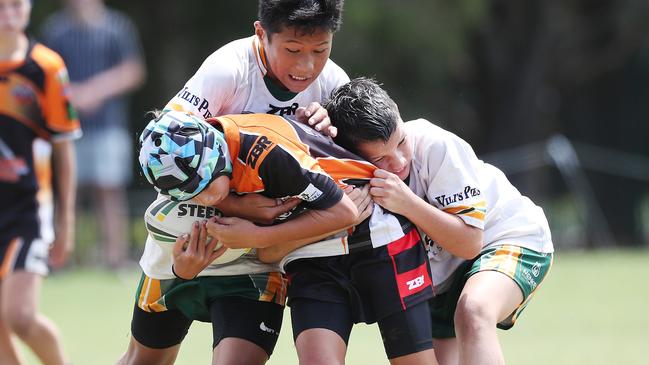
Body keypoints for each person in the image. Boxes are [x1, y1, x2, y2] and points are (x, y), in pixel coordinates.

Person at [324, 77, 555, 365]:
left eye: (401, 142)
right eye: (380, 158)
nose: (397, 161)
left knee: (474, 311)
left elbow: (470, 242)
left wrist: (408, 203)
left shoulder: (435, 145)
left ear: (398, 113)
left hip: (508, 236)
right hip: (440, 278)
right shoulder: (349, 180)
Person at [119, 109, 373, 365]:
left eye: (204, 185)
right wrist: (181, 268)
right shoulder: (178, 137)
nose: (205, 199)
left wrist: (259, 236)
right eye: (189, 193)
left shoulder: (267, 152)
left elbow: (344, 212)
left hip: (250, 272)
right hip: (171, 264)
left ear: (217, 152)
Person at [0, 0, 81, 364]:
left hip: (27, 208)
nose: (8, 13)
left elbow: (64, 150)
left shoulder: (46, 67)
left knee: (19, 316)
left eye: (15, 4)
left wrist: (67, 222)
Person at [40, 0, 146, 268]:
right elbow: (43, 73)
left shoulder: (117, 26)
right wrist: (72, 93)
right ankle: (59, 260)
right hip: (66, 128)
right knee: (66, 192)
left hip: (109, 124)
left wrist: (97, 89)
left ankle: (115, 259)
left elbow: (133, 71)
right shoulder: (56, 29)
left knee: (110, 192)